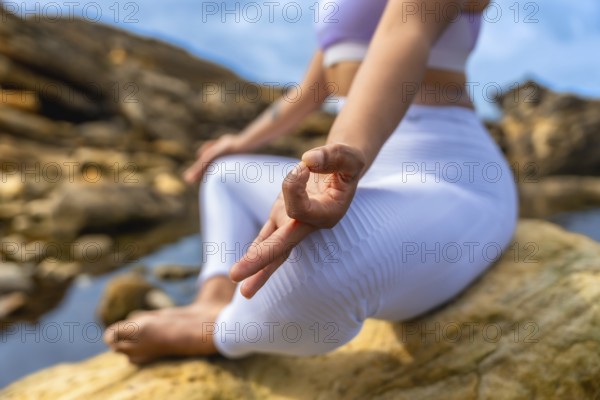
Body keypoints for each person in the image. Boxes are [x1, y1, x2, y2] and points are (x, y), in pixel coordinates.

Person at [105, 0, 517, 363]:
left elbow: (405, 31)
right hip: (372, 172)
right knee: (228, 174)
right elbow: (314, 88)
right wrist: (241, 141)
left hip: (449, 181)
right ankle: (212, 299)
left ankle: (220, 333)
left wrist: (342, 159)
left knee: (322, 261)